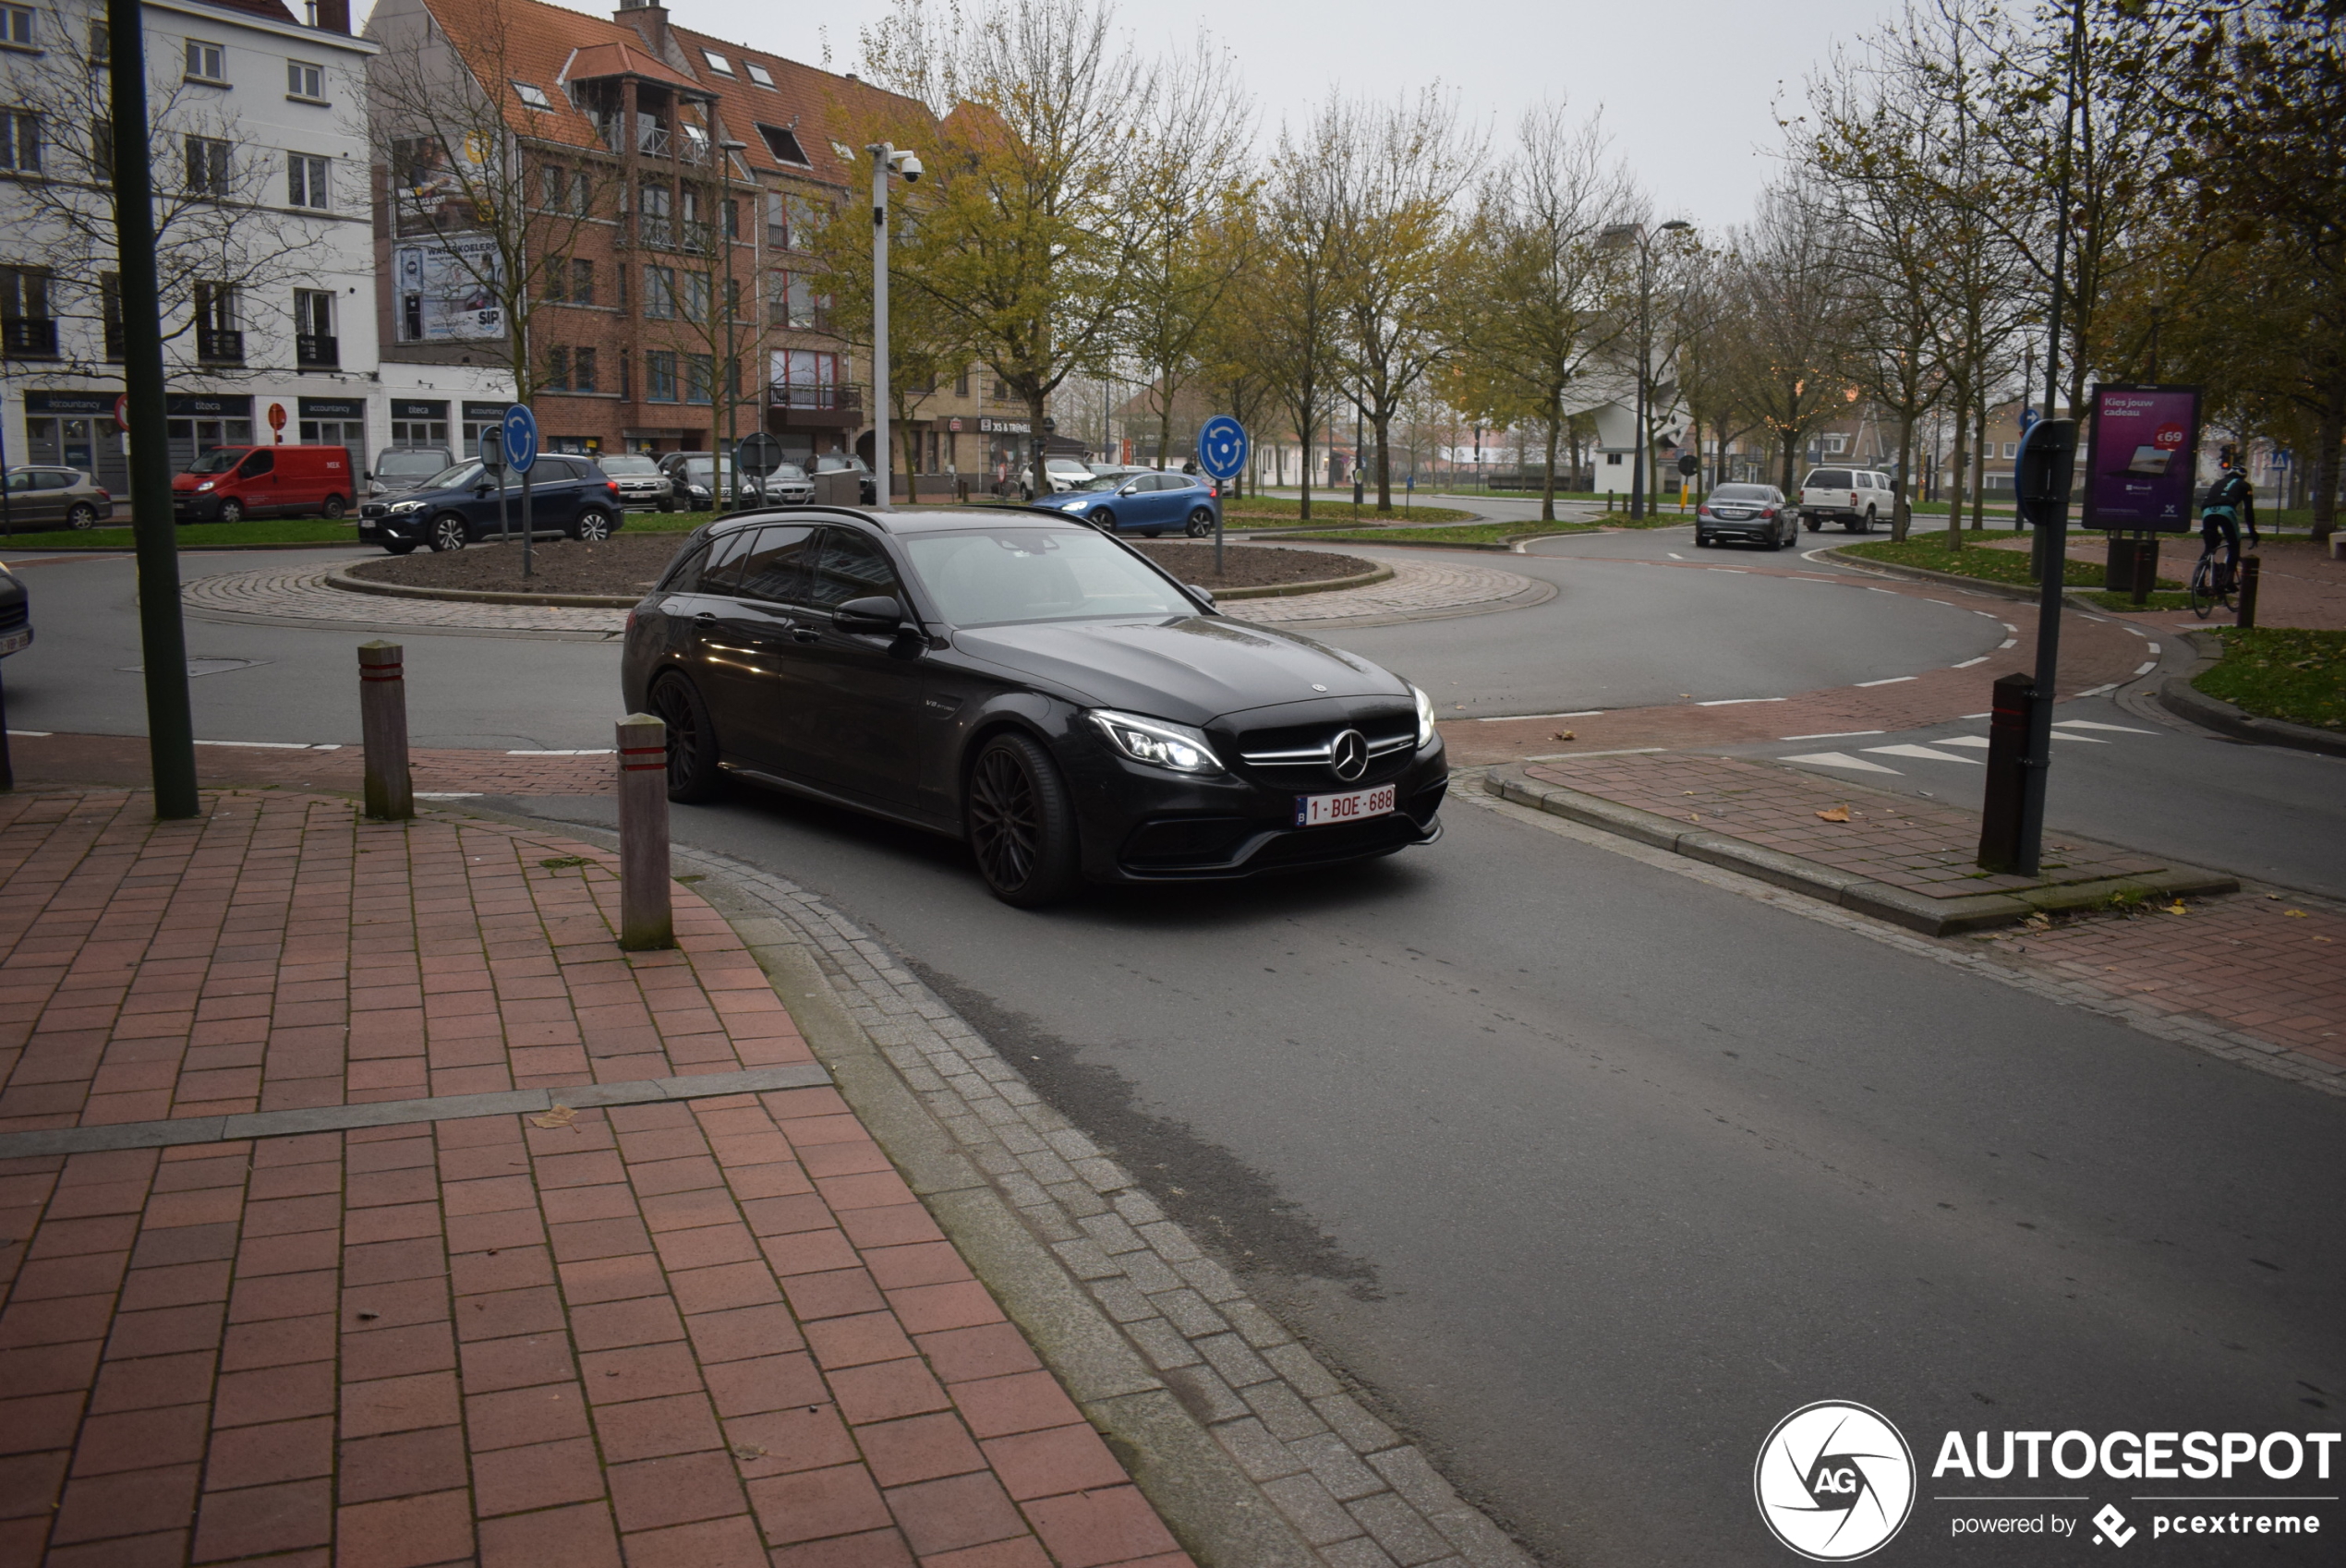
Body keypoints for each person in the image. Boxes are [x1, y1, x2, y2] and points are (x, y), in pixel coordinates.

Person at [2199, 447, 2259, 586]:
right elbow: (2248, 511)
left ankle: (2199, 581)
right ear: (2243, 476)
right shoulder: (2245, 485)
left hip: (2207, 511)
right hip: (2226, 511)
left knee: (2209, 547)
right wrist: (2253, 532)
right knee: (2233, 544)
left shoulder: (2218, 482)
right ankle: (2228, 580)